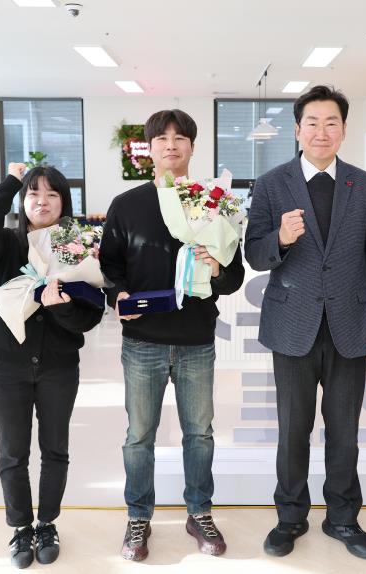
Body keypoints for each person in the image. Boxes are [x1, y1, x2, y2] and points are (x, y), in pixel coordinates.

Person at [244, 85, 366, 560]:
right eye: (312, 122)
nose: (321, 132)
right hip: (293, 325)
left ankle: (343, 518)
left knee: (344, 430)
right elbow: (253, 254)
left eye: (332, 123)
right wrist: (281, 239)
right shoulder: (271, 183)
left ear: (344, 130)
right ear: (297, 130)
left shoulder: (364, 185)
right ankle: (290, 517)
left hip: (350, 324)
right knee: (293, 428)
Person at [99, 109, 245, 561]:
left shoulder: (212, 202)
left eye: (180, 138)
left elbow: (235, 276)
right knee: (139, 435)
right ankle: (138, 516)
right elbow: (109, 266)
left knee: (199, 433)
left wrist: (216, 268)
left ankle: (199, 511)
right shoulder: (127, 205)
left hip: (196, 338)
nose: (171, 145)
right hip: (143, 339)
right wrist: (118, 295)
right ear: (150, 148)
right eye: (162, 138)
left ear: (192, 147)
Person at [0, 163, 104, 569]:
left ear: (64, 202)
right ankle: (21, 527)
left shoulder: (76, 244)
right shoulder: (6, 244)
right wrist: (10, 182)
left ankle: (47, 524)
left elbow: (89, 317)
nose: (42, 202)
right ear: (22, 200)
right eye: (33, 193)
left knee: (55, 449)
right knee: (13, 452)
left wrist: (59, 308)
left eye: (52, 194)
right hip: (6, 366)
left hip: (59, 366)